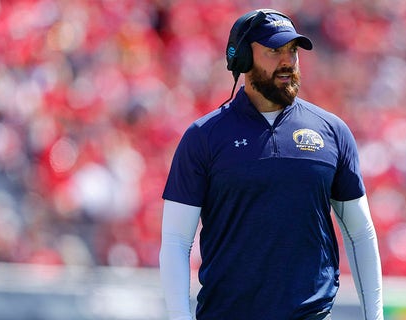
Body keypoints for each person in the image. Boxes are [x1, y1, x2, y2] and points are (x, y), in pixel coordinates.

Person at [159, 8, 383, 320]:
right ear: (242, 59)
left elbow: (359, 232)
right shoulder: (203, 138)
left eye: (292, 50)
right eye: (274, 50)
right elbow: (176, 241)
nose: (287, 61)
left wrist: (375, 317)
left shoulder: (332, 131)